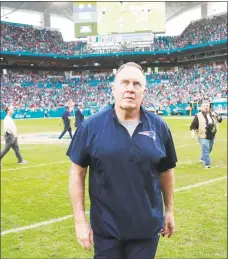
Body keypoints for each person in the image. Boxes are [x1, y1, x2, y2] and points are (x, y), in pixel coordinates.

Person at [67, 62, 177, 259]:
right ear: (113, 89)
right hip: (106, 231)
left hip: (146, 230)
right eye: (124, 82)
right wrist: (79, 220)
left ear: (144, 91)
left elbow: (166, 171)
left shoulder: (160, 128)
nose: (130, 89)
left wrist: (169, 211)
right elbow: (77, 173)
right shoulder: (91, 127)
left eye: (136, 84)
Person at [190, 100, 222, 168]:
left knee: (209, 149)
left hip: (212, 135)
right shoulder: (198, 116)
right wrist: (193, 134)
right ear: (201, 107)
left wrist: (217, 116)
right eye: (204, 106)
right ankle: (207, 164)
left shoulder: (213, 114)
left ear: (209, 106)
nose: (206, 107)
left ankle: (202, 158)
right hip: (202, 135)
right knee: (205, 149)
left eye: (207, 105)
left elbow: (220, 120)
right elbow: (193, 126)